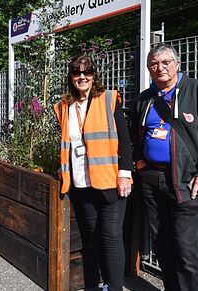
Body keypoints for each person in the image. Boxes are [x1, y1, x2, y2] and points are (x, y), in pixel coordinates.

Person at [129, 43, 198, 291]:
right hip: (152, 179)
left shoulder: (197, 91)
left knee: (186, 249)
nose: (160, 67)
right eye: (154, 63)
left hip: (186, 181)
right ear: (148, 68)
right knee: (162, 243)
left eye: (166, 62)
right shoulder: (145, 98)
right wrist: (141, 162)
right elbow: (134, 135)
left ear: (177, 64)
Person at [53, 55, 133, 291]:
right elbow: (67, 142)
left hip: (109, 180)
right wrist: (62, 165)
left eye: (87, 72)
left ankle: (115, 287)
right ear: (71, 77)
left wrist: (125, 173)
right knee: (91, 237)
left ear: (94, 75)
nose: (82, 77)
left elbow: (125, 141)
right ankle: (95, 285)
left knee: (110, 237)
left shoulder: (108, 99)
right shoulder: (64, 106)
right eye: (77, 73)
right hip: (80, 180)